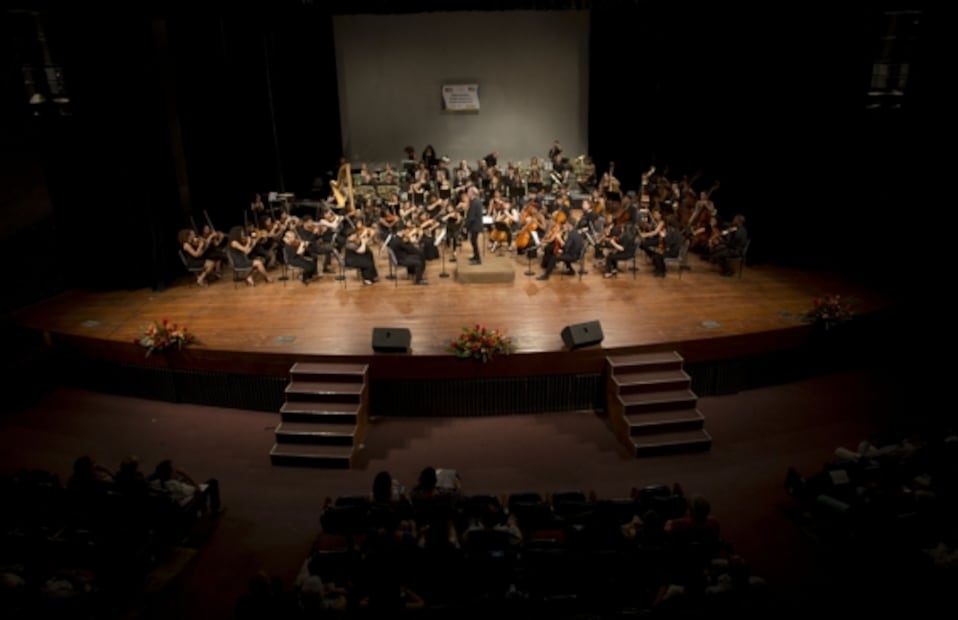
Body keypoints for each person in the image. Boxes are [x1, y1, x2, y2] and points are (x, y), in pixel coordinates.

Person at [148, 458, 223, 516]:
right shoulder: (176, 486)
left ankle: (204, 508)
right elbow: (197, 489)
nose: (176, 470)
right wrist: (185, 474)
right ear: (170, 473)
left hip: (174, 500)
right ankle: (214, 510)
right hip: (189, 503)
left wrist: (175, 477)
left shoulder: (156, 483)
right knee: (212, 482)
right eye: (174, 469)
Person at [464, 186, 484, 265]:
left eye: (468, 192)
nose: (467, 194)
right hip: (475, 225)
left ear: (472, 193)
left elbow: (471, 217)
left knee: (474, 242)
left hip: (475, 225)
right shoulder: (475, 201)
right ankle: (475, 256)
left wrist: (466, 226)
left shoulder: (475, 202)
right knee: (473, 241)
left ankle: (478, 259)